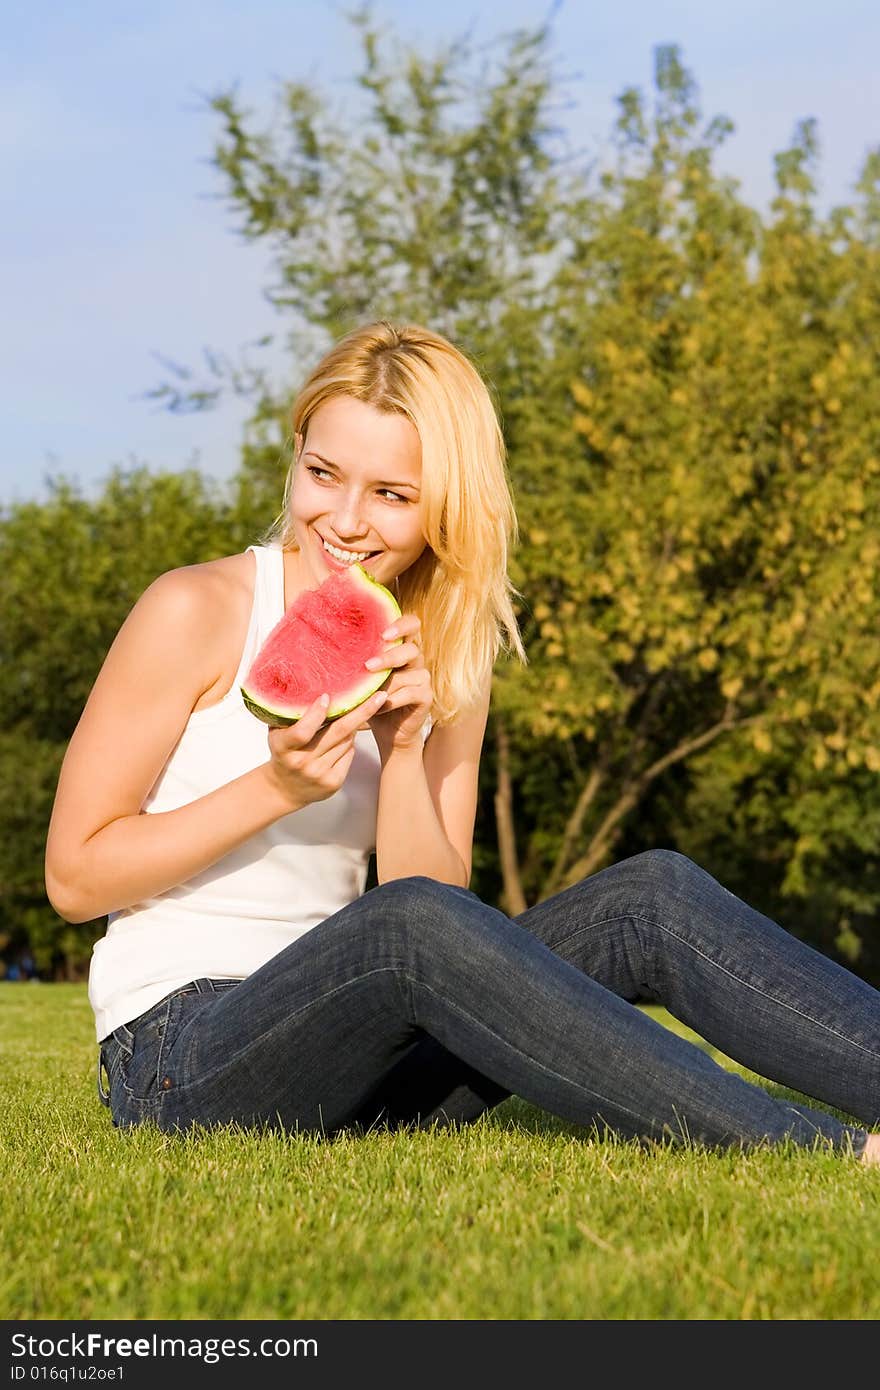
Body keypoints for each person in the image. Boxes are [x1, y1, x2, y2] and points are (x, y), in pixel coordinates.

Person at [45, 320, 880, 1165]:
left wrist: (404, 751)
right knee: (402, 927)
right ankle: (824, 1152)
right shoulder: (196, 608)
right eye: (323, 474)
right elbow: (74, 877)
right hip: (183, 1059)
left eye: (391, 495)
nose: (344, 519)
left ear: (445, 502)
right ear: (295, 452)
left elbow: (434, 903)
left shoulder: (442, 654)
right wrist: (276, 789)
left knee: (648, 898)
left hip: (367, 1058)